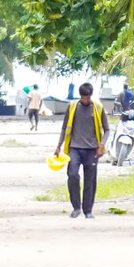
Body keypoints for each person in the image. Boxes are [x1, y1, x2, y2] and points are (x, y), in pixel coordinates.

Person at [54, 82, 109, 220]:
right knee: (72, 175)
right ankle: (76, 207)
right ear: (80, 96)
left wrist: (101, 145)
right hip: (74, 148)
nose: (85, 100)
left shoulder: (98, 107)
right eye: (83, 97)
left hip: (92, 150)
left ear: (91, 95)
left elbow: (107, 129)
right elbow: (64, 127)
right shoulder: (72, 106)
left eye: (87, 97)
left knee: (90, 180)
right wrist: (59, 145)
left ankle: (88, 210)